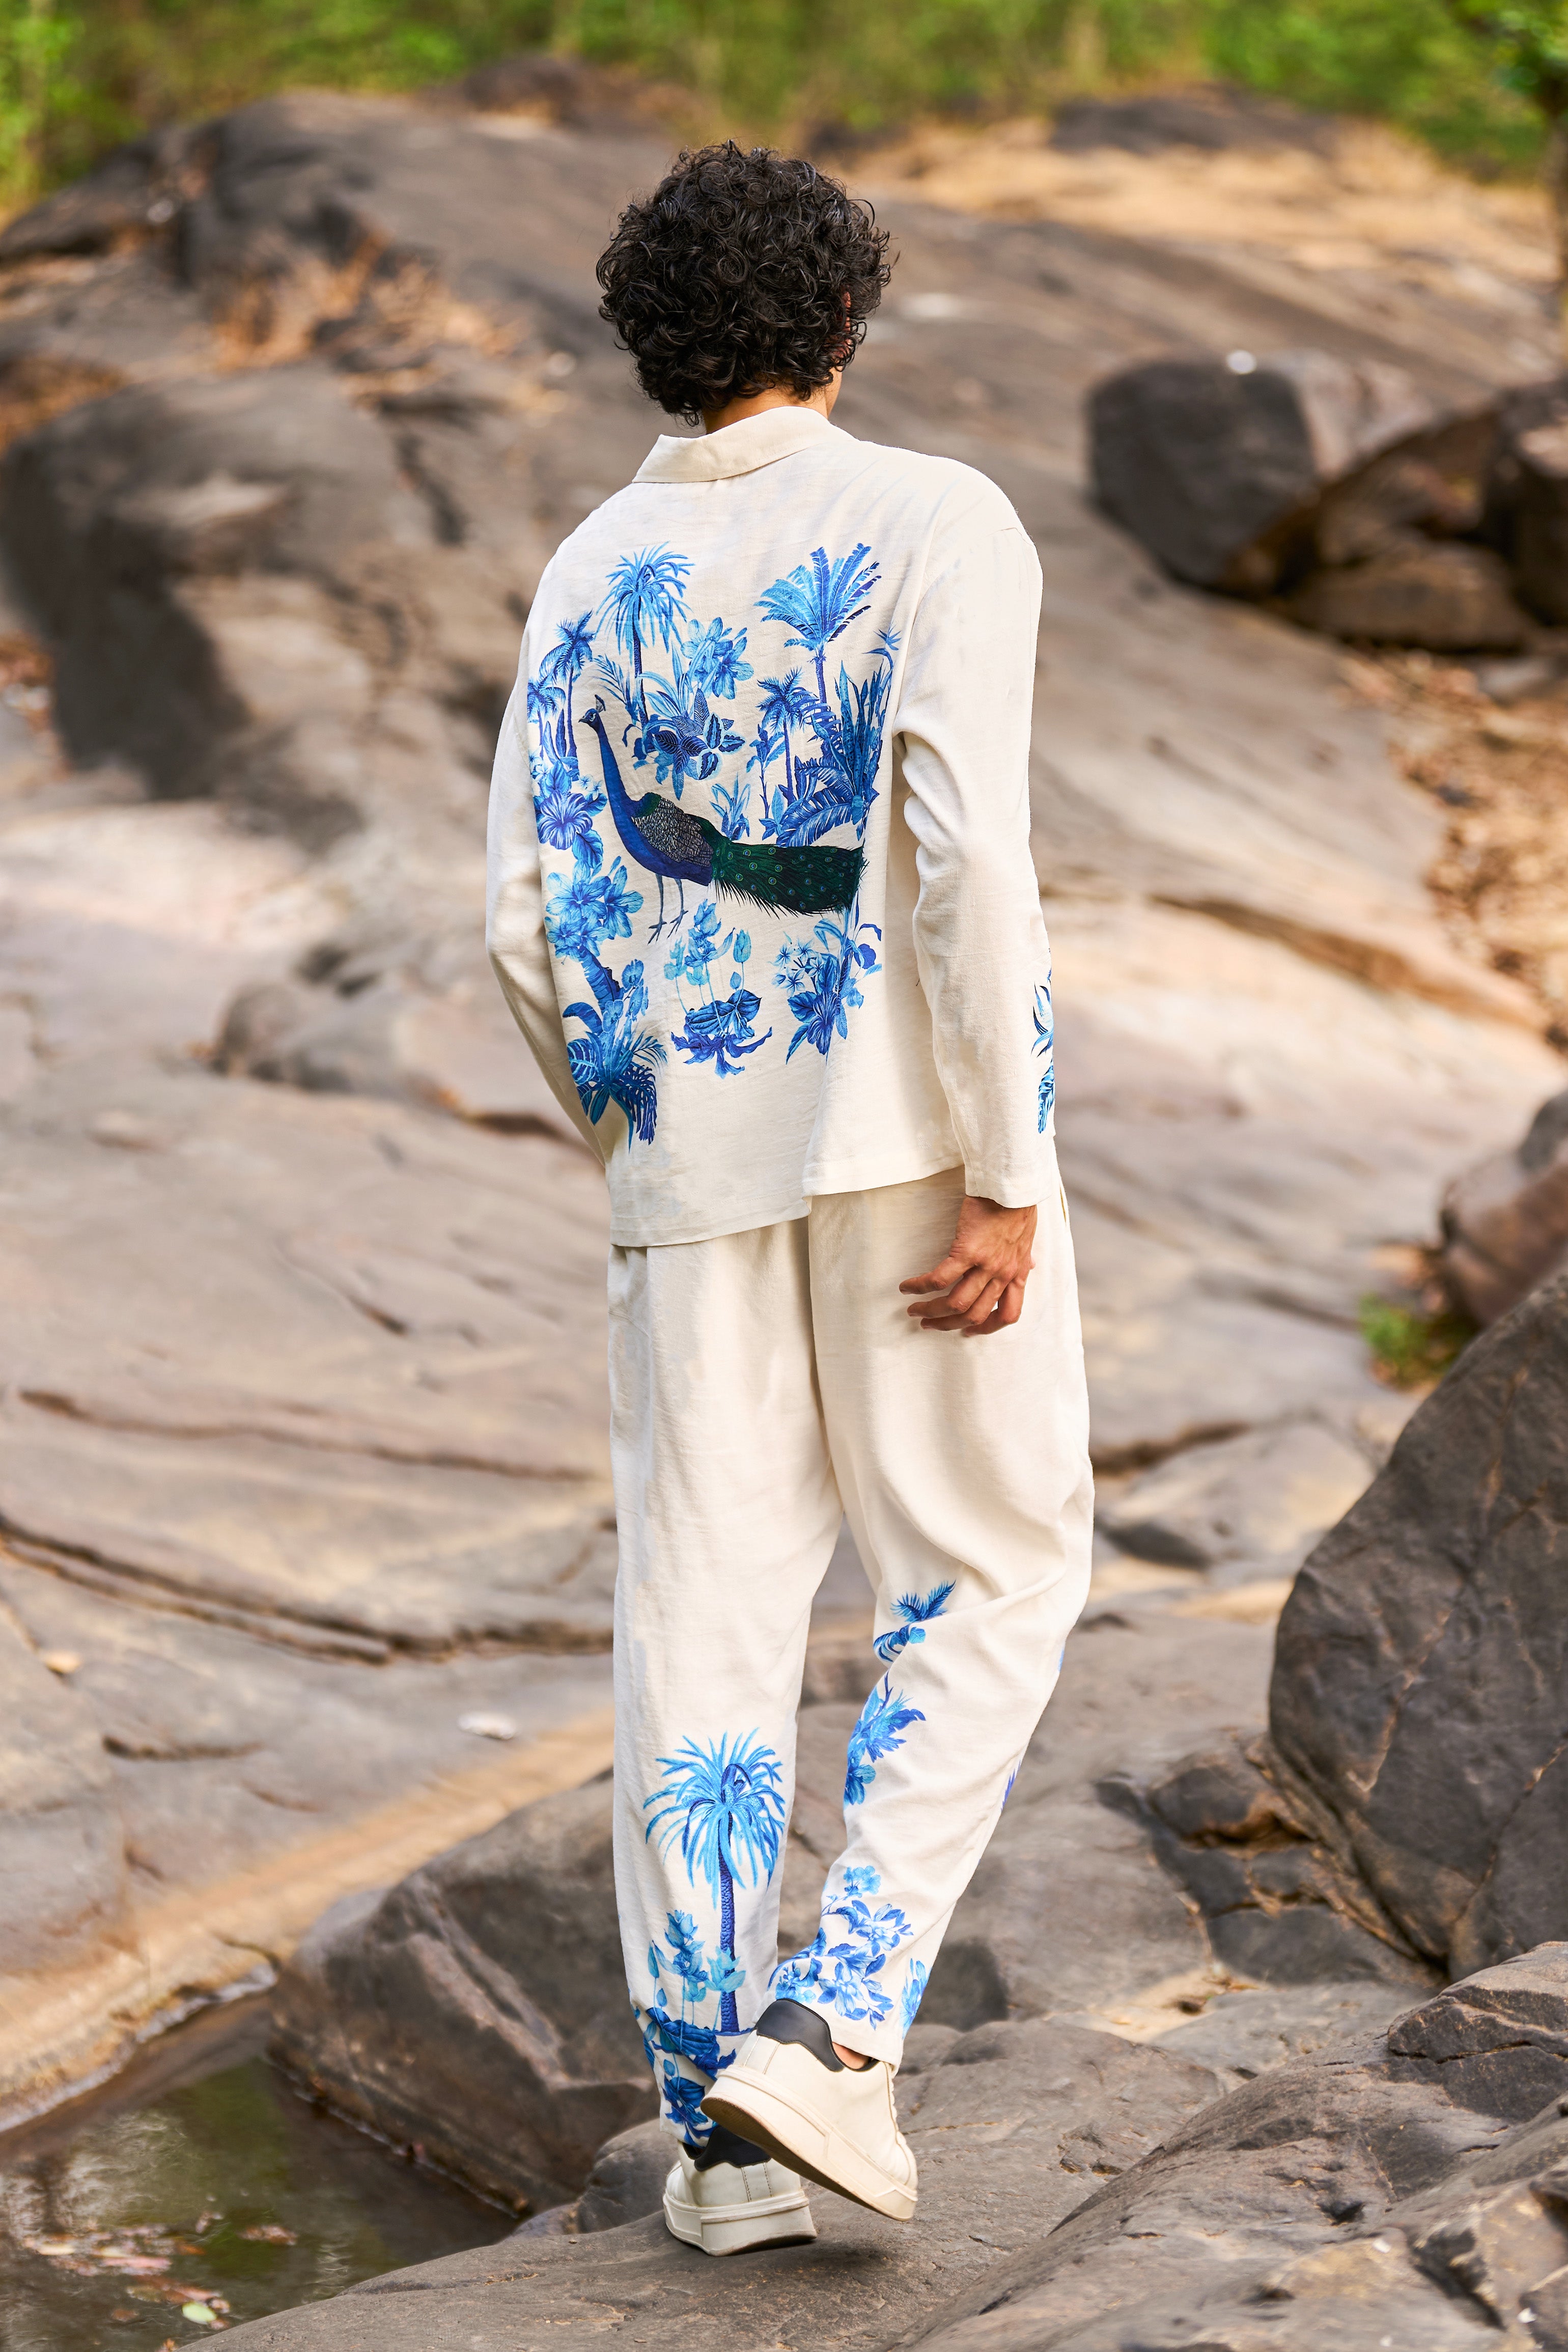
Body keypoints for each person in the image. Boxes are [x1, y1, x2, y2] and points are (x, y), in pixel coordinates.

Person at [487, 140, 1091, 2258]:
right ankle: (831, 2035)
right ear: (843, 316)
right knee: (989, 1571)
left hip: (690, 1169)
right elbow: (964, 857)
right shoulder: (936, 518)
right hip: (910, 1152)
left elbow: (522, 915)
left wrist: (640, 1135)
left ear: (650, 345)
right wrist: (1009, 1164)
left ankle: (720, 2153)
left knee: (704, 1629)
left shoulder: (588, 566)